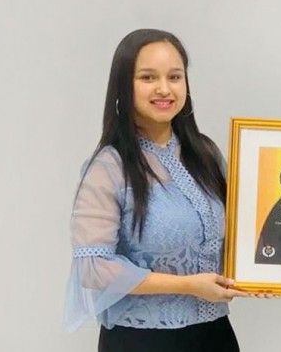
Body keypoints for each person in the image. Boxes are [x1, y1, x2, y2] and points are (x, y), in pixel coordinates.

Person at [63, 29, 249, 352]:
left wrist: (272, 273)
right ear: (124, 86)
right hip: (141, 340)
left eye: (174, 77)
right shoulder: (109, 167)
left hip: (215, 335)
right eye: (148, 77)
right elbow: (94, 268)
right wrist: (188, 285)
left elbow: (237, 239)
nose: (164, 89)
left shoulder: (206, 154)